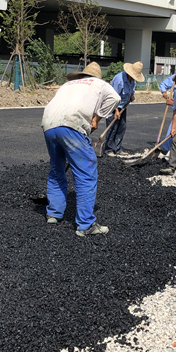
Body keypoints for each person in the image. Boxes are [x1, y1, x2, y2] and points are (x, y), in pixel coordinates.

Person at [41, 62, 119, 236]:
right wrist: (96, 119)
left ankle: (53, 213)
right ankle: (86, 224)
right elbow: (115, 98)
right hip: (72, 124)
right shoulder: (99, 84)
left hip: (49, 124)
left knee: (56, 169)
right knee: (86, 173)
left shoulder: (67, 85)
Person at [104, 61, 145, 157]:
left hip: (123, 105)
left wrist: (132, 95)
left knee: (121, 127)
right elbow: (113, 97)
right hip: (112, 105)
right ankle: (109, 149)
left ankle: (118, 148)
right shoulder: (119, 80)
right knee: (112, 127)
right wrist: (116, 110)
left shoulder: (132, 80)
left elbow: (131, 90)